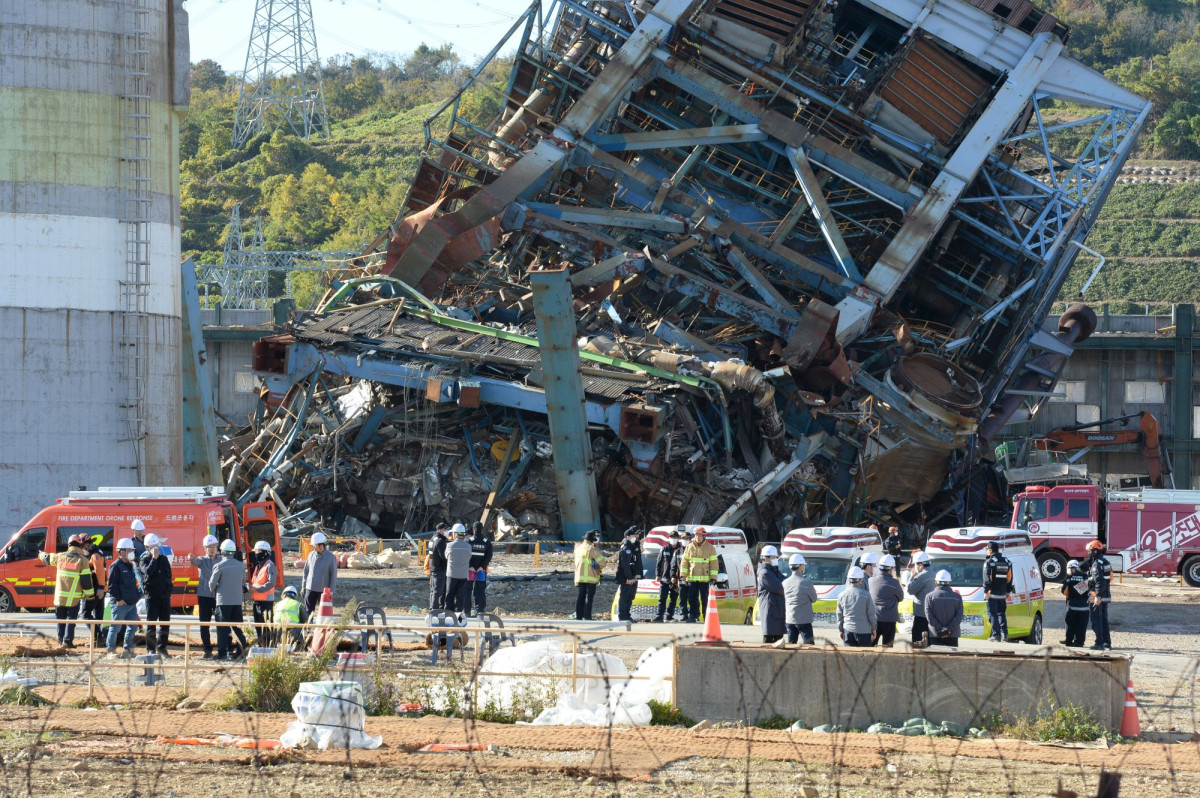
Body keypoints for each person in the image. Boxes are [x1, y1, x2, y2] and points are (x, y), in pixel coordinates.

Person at [38, 534, 95, 648]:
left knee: (60, 620)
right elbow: (86, 581)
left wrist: (40, 553)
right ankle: (67, 642)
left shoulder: (59, 557)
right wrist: (90, 596)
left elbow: (46, 558)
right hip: (73, 598)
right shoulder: (82, 560)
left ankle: (60, 642)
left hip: (60, 597)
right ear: (80, 545)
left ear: (69, 545)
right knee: (71, 620)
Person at [210, 539, 250, 661]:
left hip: (223, 601)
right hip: (237, 601)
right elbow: (242, 582)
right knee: (237, 627)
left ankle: (223, 653)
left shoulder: (219, 566)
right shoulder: (240, 566)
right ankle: (241, 650)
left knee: (223, 628)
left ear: (222, 552)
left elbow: (211, 585)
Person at [106, 538, 142, 658]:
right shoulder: (116, 566)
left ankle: (127, 650)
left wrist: (136, 597)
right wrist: (118, 599)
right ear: (121, 552)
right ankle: (110, 651)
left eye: (132, 550)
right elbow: (111, 586)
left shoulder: (130, 565)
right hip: (120, 603)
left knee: (133, 627)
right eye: (129, 550)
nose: (131, 552)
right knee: (115, 627)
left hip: (131, 603)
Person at [140, 533, 173, 657]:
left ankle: (162, 647)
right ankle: (151, 648)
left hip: (164, 596)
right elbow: (148, 572)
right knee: (151, 623)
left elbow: (168, 576)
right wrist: (154, 558)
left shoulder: (164, 559)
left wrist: (168, 591)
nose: (155, 549)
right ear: (147, 547)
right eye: (152, 546)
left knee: (165, 623)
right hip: (152, 596)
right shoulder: (144, 560)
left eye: (156, 546)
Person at [188, 535, 220, 659]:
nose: (212, 549)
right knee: (204, 624)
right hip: (204, 597)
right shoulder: (202, 560)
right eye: (209, 547)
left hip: (218, 597)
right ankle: (207, 649)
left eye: (214, 547)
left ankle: (222, 648)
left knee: (221, 624)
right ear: (205, 548)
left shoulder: (221, 560)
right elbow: (195, 561)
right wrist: (191, 558)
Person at [682, 527, 718, 623]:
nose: (697, 538)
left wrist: (713, 578)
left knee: (705, 599)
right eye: (696, 536)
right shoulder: (689, 547)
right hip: (692, 578)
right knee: (692, 598)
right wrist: (683, 574)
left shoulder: (710, 548)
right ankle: (693, 615)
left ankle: (706, 616)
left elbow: (714, 563)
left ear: (703, 536)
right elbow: (684, 562)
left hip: (704, 579)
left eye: (699, 536)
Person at [836, 565, 876, 646]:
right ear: (860, 580)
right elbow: (871, 614)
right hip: (864, 632)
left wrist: (841, 630)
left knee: (849, 658)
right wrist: (874, 629)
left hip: (848, 631)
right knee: (865, 657)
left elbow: (839, 616)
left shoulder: (841, 595)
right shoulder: (866, 595)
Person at [869, 554, 904, 647]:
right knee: (888, 648)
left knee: (871, 646)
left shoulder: (870, 580)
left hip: (874, 619)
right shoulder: (894, 583)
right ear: (890, 569)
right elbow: (901, 597)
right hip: (889, 619)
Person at [783, 553, 818, 645]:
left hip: (790, 619)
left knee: (790, 646)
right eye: (803, 565)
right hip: (804, 620)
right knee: (809, 647)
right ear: (800, 566)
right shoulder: (807, 583)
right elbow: (814, 599)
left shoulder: (785, 583)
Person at [982, 541, 1013, 642]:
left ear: (990, 550)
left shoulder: (989, 562)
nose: (986, 551)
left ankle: (996, 635)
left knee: (992, 614)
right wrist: (1008, 590)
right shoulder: (1007, 562)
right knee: (1001, 614)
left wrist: (986, 591)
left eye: (987, 549)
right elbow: (1009, 578)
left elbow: (987, 579)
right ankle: (1005, 634)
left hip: (992, 594)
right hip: (1002, 594)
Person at [301, 531, 337, 616]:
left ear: (321, 546)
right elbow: (306, 571)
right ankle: (307, 628)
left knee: (324, 613)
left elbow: (333, 575)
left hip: (323, 591)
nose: (313, 547)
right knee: (307, 613)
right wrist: (304, 586)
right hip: (310, 589)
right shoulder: (311, 555)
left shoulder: (331, 557)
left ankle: (323, 629)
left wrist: (331, 591)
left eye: (315, 545)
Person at [249, 540, 277, 647]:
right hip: (257, 601)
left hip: (266, 602)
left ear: (265, 552)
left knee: (266, 627)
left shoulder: (270, 566)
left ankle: (270, 647)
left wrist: (257, 589)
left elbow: (271, 583)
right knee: (259, 626)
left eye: (258, 551)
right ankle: (262, 645)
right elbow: (256, 582)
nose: (256, 553)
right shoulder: (259, 566)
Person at [1085, 540, 1113, 650]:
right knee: (1104, 620)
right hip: (1105, 595)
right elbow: (1109, 579)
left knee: (1096, 620)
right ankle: (1107, 642)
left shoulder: (1096, 564)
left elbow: (1099, 581)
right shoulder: (1106, 562)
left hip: (1097, 596)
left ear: (1095, 551)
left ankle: (1099, 643)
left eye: (1090, 551)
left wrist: (1097, 596)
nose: (1088, 553)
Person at [924, 570, 963, 647]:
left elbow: (929, 617)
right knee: (953, 657)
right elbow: (959, 616)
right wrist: (948, 629)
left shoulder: (929, 597)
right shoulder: (957, 597)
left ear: (935, 582)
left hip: (935, 634)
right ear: (950, 583)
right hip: (953, 635)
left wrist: (941, 629)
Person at [756, 546, 785, 644]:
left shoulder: (774, 570)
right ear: (765, 558)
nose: (776, 559)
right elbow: (780, 588)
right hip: (770, 612)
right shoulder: (765, 573)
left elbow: (784, 581)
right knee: (768, 642)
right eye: (774, 557)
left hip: (777, 611)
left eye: (776, 557)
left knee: (779, 641)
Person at [652, 530, 682, 623]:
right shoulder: (664, 549)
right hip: (665, 578)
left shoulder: (681, 549)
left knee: (673, 599)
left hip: (676, 579)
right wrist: (658, 574)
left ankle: (669, 616)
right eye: (672, 538)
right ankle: (659, 616)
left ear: (678, 539)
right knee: (662, 598)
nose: (674, 539)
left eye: (675, 538)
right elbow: (659, 562)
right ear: (669, 539)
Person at [614, 527, 644, 622]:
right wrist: (629, 577)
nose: (635, 537)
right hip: (627, 577)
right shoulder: (626, 548)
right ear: (627, 537)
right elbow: (625, 565)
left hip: (632, 576)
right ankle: (622, 616)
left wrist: (636, 574)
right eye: (633, 536)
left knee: (630, 597)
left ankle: (627, 615)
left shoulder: (632, 546)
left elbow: (635, 563)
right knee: (625, 597)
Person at [573, 530, 604, 620]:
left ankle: (579, 616)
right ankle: (587, 616)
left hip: (580, 577)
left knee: (580, 597)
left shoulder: (578, 548)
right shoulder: (592, 549)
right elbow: (602, 563)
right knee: (589, 598)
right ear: (591, 540)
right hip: (591, 577)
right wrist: (594, 564)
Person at [906, 551, 935, 646]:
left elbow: (910, 590)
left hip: (921, 613)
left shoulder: (922, 576)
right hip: (931, 614)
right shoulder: (933, 574)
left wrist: (911, 577)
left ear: (921, 565)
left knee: (917, 639)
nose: (915, 567)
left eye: (915, 564)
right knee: (929, 641)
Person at [83, 537, 107, 647]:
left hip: (96, 589)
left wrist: (101, 588)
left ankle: (99, 637)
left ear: (87, 545)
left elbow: (100, 572)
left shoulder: (94, 555)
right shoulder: (96, 553)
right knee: (98, 614)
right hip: (99, 588)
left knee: (86, 614)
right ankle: (98, 639)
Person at [444, 523, 472, 616]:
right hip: (463, 575)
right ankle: (458, 616)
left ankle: (448, 614)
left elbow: (446, 556)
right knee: (460, 597)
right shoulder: (468, 546)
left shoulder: (450, 545)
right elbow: (469, 557)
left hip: (451, 574)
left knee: (449, 595)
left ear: (455, 533)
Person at [1061, 559, 1091, 647]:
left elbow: (1064, 592)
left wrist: (1071, 595)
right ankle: (1079, 643)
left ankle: (1069, 642)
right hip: (1084, 608)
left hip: (1072, 607)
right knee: (1081, 627)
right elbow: (1090, 592)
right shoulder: (1087, 579)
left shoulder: (1069, 579)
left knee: (1070, 625)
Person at [468, 522, 493, 617]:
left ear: (473, 529)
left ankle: (467, 611)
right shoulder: (486, 541)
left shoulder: (469, 541)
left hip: (470, 570)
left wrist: (470, 566)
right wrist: (482, 566)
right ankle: (480, 610)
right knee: (480, 589)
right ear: (482, 529)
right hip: (480, 570)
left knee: (468, 589)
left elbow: (466, 555)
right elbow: (489, 556)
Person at [273, 584, 307, 651]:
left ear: (284, 595)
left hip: (277, 631)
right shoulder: (298, 604)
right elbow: (306, 619)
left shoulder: (277, 604)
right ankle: (300, 648)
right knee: (300, 621)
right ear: (295, 596)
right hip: (293, 631)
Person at [427, 523, 449, 611]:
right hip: (439, 568)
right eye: (445, 529)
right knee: (438, 591)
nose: (446, 531)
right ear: (440, 530)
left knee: (434, 590)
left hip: (434, 567)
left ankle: (433, 607)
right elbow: (444, 556)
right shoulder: (439, 541)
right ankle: (435, 609)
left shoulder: (433, 539)